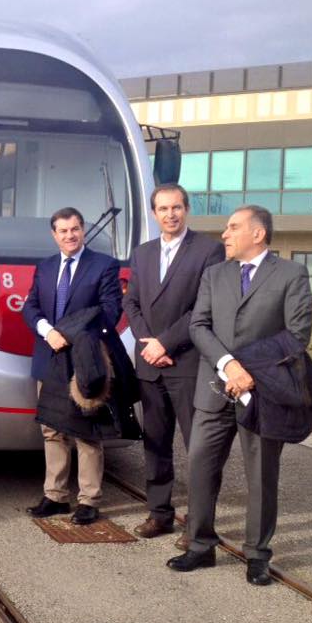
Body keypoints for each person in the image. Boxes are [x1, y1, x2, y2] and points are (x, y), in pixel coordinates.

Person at [167, 205, 312, 586]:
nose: (225, 234)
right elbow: (199, 326)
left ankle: (258, 555)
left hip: (263, 394)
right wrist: (229, 365)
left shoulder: (291, 274)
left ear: (258, 233)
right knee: (199, 466)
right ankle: (199, 546)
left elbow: (297, 335)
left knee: (262, 476)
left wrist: (248, 371)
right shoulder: (215, 274)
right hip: (214, 388)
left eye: (233, 227)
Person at [123, 184, 224, 546]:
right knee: (155, 443)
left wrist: (165, 343)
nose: (170, 214)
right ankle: (159, 513)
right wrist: (148, 343)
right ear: (154, 213)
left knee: (198, 446)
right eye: (163, 209)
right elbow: (131, 303)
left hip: (187, 363)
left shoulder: (209, 250)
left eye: (177, 207)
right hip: (150, 365)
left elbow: (203, 307)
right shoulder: (143, 253)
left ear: (186, 209)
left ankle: (198, 524)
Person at [22, 207, 124, 525]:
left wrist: (67, 333)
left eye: (75, 229)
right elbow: (31, 306)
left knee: (87, 433)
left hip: (84, 360)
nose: (70, 235)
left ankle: (89, 500)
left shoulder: (104, 266)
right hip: (49, 357)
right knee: (52, 429)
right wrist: (46, 331)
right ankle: (55, 496)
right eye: (63, 231)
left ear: (82, 230)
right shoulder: (46, 266)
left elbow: (110, 312)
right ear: (55, 235)